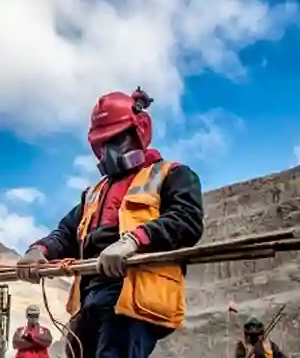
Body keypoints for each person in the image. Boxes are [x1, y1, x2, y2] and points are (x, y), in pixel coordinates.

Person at [15, 88, 204, 358]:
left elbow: (187, 221)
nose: (109, 151)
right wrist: (39, 251)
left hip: (131, 293)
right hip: (89, 297)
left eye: (116, 140)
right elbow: (67, 233)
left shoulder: (171, 175)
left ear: (138, 132)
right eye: (103, 144)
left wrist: (133, 241)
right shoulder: (94, 192)